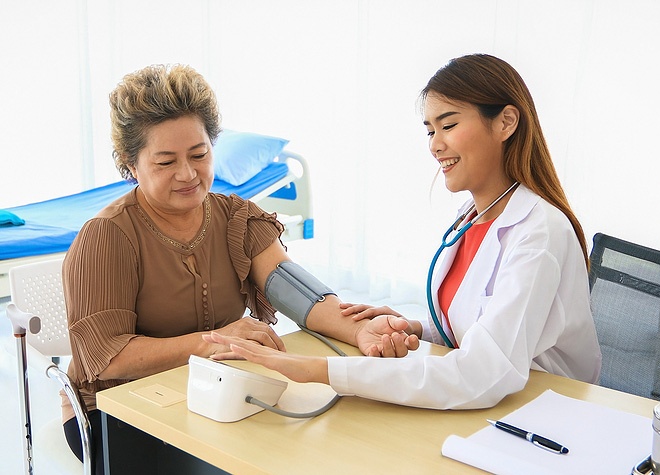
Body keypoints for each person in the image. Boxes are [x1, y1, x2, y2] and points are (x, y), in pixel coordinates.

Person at [61, 64, 419, 473]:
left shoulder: (236, 218)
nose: (187, 174)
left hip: (212, 391)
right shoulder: (107, 237)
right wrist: (212, 341)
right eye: (165, 162)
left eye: (199, 154)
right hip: (116, 413)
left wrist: (359, 330)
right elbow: (107, 359)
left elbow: (297, 293)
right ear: (130, 162)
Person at [205, 53, 602, 411]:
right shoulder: (473, 218)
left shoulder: (539, 232)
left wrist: (318, 370)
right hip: (498, 405)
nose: (435, 145)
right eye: (430, 130)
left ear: (506, 122)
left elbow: (484, 372)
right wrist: (417, 326)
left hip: (548, 414)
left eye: (448, 124)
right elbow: (483, 325)